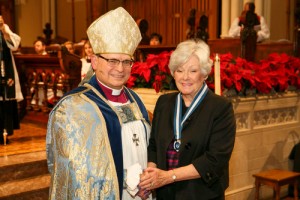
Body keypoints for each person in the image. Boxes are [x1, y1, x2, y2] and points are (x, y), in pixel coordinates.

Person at [46, 7, 152, 200]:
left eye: (126, 61)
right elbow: (75, 174)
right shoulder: (72, 109)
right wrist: (126, 179)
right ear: (94, 61)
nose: (120, 69)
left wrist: (149, 179)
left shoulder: (136, 101)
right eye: (112, 60)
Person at [139, 39, 236, 200]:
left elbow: (214, 160)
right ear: (172, 73)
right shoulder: (164, 102)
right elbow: (154, 146)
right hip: (166, 194)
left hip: (202, 194)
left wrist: (168, 177)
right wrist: (150, 177)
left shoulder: (221, 108)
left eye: (192, 71)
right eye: (179, 70)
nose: (185, 77)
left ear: (204, 74)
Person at [0, 13, 23, 144]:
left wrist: (4, 31)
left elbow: (14, 45)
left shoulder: (5, 28)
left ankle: (5, 132)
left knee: (6, 102)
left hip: (5, 69)